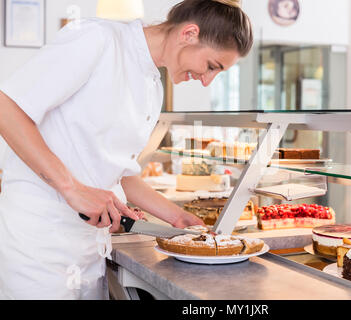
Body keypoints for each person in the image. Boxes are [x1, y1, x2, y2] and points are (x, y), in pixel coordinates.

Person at [0, 0, 253, 299]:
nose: (207, 80)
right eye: (212, 66)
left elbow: (119, 174)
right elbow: (7, 107)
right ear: (189, 33)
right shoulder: (98, 39)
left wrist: (176, 217)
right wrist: (72, 189)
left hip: (91, 246)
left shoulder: (153, 86)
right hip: (40, 244)